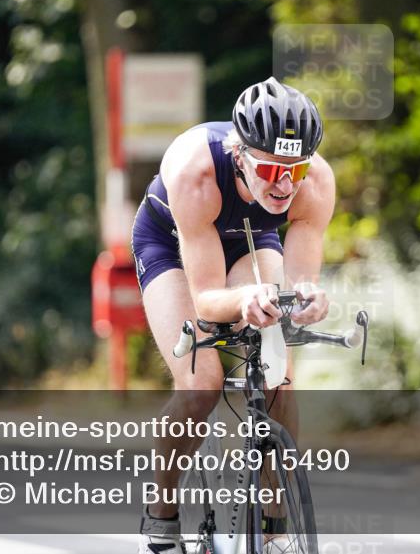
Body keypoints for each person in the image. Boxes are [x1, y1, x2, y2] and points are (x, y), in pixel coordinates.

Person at [132, 77, 335, 554]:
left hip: (248, 236)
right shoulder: (195, 170)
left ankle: (275, 528)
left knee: (279, 376)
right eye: (271, 169)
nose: (285, 184)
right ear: (239, 155)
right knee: (201, 386)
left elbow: (301, 280)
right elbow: (206, 299)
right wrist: (244, 301)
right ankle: (161, 517)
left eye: (296, 169)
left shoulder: (315, 182)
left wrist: (307, 298)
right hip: (171, 245)